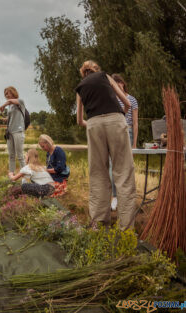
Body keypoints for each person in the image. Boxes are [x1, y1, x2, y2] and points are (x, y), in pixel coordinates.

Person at [75, 60, 136, 230]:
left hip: (93, 124)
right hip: (116, 121)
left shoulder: (80, 87)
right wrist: (118, 117)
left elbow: (80, 121)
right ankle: (126, 229)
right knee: (123, 173)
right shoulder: (105, 77)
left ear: (83, 73)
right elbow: (128, 104)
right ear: (96, 69)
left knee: (98, 174)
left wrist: (95, 125)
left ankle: (99, 225)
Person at [109, 74, 139, 211]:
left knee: (127, 167)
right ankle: (115, 196)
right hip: (113, 132)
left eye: (119, 82)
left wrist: (134, 145)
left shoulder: (131, 99)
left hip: (128, 132)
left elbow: (135, 122)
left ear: (123, 83)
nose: (118, 85)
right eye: (115, 84)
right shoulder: (110, 98)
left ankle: (127, 198)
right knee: (112, 166)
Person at [0, 86, 26, 173]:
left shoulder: (20, 101)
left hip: (18, 131)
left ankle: (25, 177)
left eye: (7, 93)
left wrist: (3, 105)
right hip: (10, 132)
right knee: (11, 156)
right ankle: (12, 176)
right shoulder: (9, 107)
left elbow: (9, 101)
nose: (6, 95)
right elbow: (7, 119)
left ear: (13, 92)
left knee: (20, 156)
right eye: (5, 94)